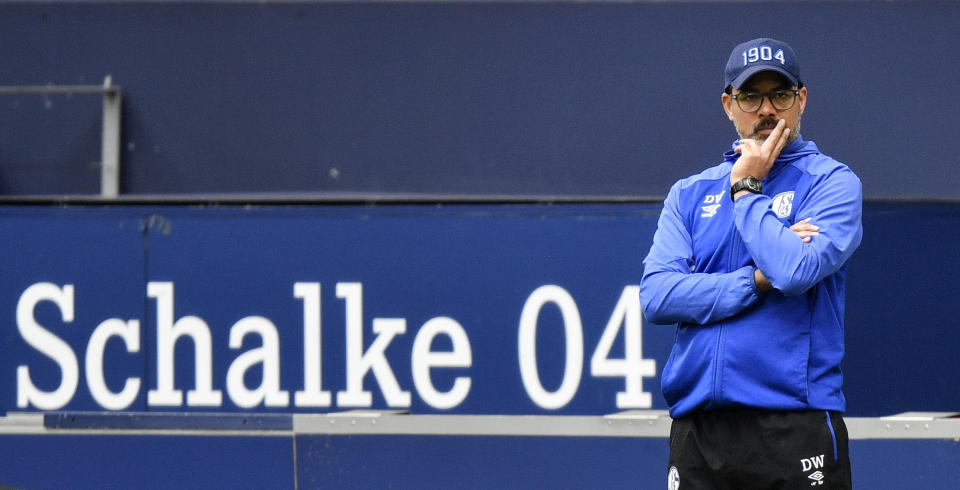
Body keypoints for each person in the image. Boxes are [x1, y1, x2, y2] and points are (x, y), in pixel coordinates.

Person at [639, 37, 862, 489]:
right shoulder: (690, 192)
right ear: (728, 104)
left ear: (800, 101)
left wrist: (745, 190)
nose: (766, 110)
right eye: (750, 96)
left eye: (780, 95)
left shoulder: (832, 183)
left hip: (792, 427)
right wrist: (754, 281)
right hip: (699, 432)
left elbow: (794, 272)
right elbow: (658, 296)